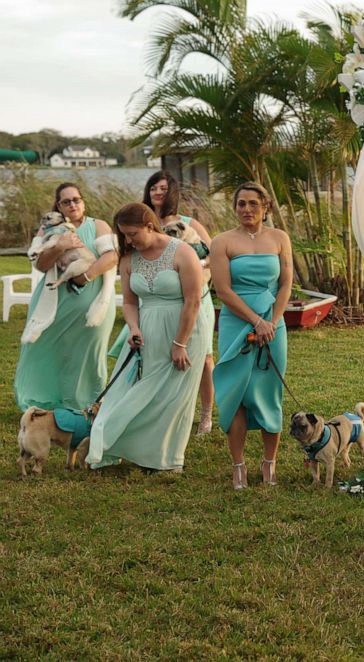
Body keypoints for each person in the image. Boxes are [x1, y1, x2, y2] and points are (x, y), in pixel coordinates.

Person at [86, 203, 212, 471]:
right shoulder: (129, 259)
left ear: (150, 225)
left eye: (133, 234)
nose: (128, 240)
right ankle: (136, 447)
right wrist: (133, 328)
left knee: (175, 394)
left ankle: (168, 458)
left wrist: (180, 343)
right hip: (148, 327)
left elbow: (193, 301)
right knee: (146, 390)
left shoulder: (183, 252)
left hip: (186, 327)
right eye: (124, 235)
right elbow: (130, 303)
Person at [110, 171, 217, 434]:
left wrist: (196, 268)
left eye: (164, 188)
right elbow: (130, 299)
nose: (158, 192)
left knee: (202, 359)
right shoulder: (132, 225)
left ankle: (204, 414)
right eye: (154, 187)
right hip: (151, 305)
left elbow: (212, 254)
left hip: (193, 298)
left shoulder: (186, 223)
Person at [211, 182, 293, 489]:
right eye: (241, 204)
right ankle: (239, 466)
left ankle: (269, 463)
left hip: (274, 323)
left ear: (266, 207)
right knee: (237, 395)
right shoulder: (222, 241)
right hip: (237, 321)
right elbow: (223, 290)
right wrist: (255, 321)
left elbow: (286, 284)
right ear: (235, 208)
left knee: (270, 390)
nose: (247, 210)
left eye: (253, 204)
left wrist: (271, 321)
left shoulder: (280, 238)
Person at [14, 182, 118, 411]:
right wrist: (60, 246)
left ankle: (89, 402)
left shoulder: (98, 225)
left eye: (76, 199)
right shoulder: (48, 229)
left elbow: (111, 257)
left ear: (83, 201)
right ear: (58, 206)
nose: (72, 204)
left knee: (89, 354)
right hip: (54, 301)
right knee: (45, 348)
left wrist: (86, 276)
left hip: (93, 302)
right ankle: (43, 401)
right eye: (66, 201)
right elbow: (40, 265)